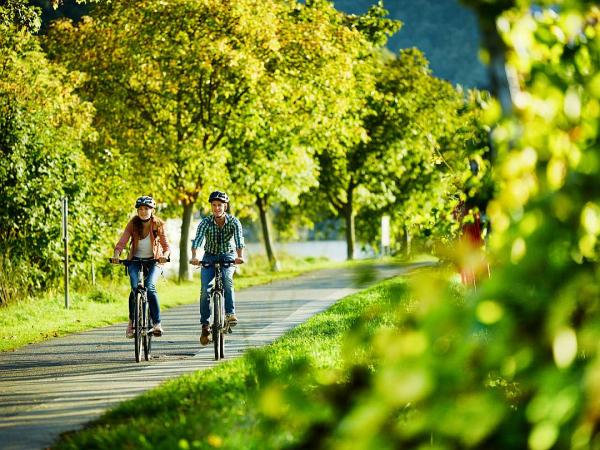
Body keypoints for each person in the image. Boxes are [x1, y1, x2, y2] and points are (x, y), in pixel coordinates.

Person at [110, 196, 170, 338]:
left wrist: (165, 255)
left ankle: (157, 324)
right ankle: (132, 322)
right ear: (137, 211)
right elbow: (122, 241)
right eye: (140, 209)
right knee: (135, 288)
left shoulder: (158, 225)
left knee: (150, 286)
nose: (143, 212)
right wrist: (116, 254)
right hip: (135, 261)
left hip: (154, 260)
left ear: (152, 210)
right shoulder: (133, 224)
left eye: (146, 209)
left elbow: (166, 246)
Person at [190, 191, 245, 346]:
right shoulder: (205, 222)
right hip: (209, 256)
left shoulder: (234, 222)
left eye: (219, 205)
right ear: (211, 207)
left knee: (227, 280)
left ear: (225, 206)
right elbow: (198, 240)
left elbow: (239, 239)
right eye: (214, 205)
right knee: (205, 290)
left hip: (228, 255)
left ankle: (230, 314)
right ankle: (205, 326)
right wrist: (195, 256)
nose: (216, 208)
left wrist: (239, 256)